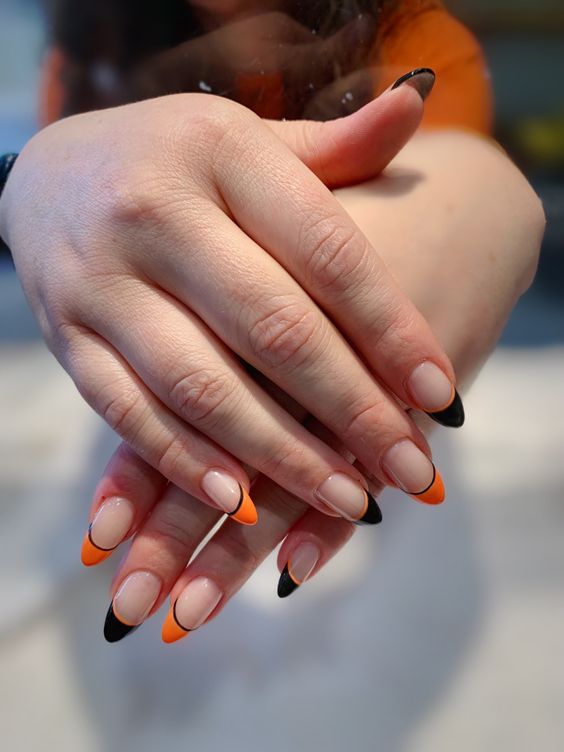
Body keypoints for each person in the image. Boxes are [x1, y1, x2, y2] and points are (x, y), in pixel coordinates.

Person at [0, 0, 544, 642]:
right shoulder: (89, 48)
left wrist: (485, 183)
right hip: (130, 427)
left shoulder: (416, 38)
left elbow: (428, 219)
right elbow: (85, 257)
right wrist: (22, 182)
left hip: (366, 512)